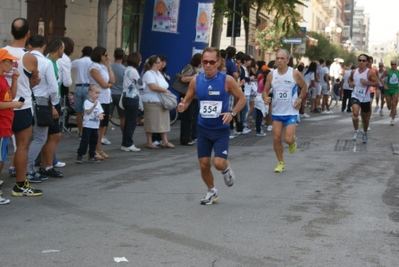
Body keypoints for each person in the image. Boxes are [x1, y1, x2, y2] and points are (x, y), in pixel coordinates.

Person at [177, 47, 246, 205]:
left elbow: (242, 99)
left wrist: (232, 113)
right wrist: (183, 106)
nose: (208, 65)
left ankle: (226, 169)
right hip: (203, 129)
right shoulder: (196, 80)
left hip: (221, 130)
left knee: (219, 163)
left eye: (211, 62)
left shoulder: (226, 80)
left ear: (218, 62)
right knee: (204, 164)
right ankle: (212, 191)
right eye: (205, 62)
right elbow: (187, 99)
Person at [3, 18, 42, 197]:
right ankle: (19, 184)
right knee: (22, 146)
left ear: (11, 32)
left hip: (3, 105)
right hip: (22, 105)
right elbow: (34, 81)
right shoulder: (30, 57)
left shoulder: (2, 52)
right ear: (28, 34)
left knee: (2, 146)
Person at [263, 49, 308, 173]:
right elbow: (265, 91)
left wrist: (299, 99)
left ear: (287, 60)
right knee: (276, 138)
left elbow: (304, 87)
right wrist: (265, 98)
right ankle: (280, 162)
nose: (279, 61)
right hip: (277, 113)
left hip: (291, 112)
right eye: (277, 58)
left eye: (282, 58)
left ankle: (292, 143)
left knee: (288, 139)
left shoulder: (294, 73)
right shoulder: (271, 75)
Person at [26, 35, 59, 183]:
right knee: (40, 137)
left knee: (24, 139)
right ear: (44, 46)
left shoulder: (23, 59)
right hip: (41, 102)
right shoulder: (45, 63)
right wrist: (55, 104)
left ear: (29, 46)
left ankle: (17, 168)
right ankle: (28, 170)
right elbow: (53, 88)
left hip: (24, 100)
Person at [37, 38, 64, 178]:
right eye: (63, 49)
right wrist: (53, 105)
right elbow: (52, 88)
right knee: (54, 135)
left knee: (49, 136)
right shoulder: (49, 63)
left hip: (49, 102)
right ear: (59, 49)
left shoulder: (52, 62)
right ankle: (47, 166)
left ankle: (45, 165)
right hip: (50, 102)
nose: (63, 51)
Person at [0, 48, 23, 203]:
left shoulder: (3, 79)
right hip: (1, 124)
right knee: (0, 159)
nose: (12, 64)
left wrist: (14, 80)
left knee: (2, 157)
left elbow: (11, 96)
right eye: (9, 61)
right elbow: (9, 101)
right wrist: (13, 104)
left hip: (6, 123)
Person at [142, 55, 175, 149]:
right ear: (154, 64)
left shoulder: (159, 73)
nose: (161, 64)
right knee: (151, 121)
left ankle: (165, 141)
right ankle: (149, 142)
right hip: (151, 100)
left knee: (163, 121)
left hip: (161, 100)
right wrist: (164, 90)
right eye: (159, 62)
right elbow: (152, 86)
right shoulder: (149, 73)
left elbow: (163, 84)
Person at [88, 46, 115, 159]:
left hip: (106, 98)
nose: (106, 57)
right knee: (97, 125)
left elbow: (112, 80)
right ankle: (93, 150)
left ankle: (99, 148)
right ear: (100, 55)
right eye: (105, 54)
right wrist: (108, 84)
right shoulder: (93, 67)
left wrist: (109, 66)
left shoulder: (103, 67)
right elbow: (104, 84)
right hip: (98, 99)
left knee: (103, 126)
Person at [348, 54, 379, 144]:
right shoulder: (354, 71)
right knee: (355, 112)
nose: (361, 62)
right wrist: (351, 83)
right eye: (359, 60)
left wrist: (366, 83)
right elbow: (350, 80)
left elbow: (377, 83)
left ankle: (364, 133)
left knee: (365, 118)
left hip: (365, 97)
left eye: (363, 60)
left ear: (367, 62)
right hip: (355, 95)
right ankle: (356, 131)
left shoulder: (370, 73)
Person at [76, 84, 104, 164]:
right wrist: (93, 107)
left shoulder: (98, 103)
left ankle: (92, 155)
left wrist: (101, 115)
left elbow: (100, 112)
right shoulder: (87, 102)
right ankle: (80, 155)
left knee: (93, 141)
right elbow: (87, 112)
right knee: (85, 141)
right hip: (87, 125)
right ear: (90, 93)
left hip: (95, 126)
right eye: (96, 93)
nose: (97, 95)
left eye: (98, 93)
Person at [120, 52, 142, 152]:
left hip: (126, 97)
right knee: (131, 122)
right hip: (132, 97)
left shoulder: (127, 70)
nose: (140, 62)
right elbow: (140, 85)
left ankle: (125, 143)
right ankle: (128, 143)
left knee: (128, 121)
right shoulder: (133, 71)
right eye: (140, 60)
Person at [179, 53, 201, 146]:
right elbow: (183, 78)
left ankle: (192, 135)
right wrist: (194, 77)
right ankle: (185, 138)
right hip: (187, 94)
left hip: (194, 96)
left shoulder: (196, 68)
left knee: (193, 116)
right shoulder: (190, 67)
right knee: (187, 117)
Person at [72, 46, 92, 138]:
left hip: (78, 87)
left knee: (78, 112)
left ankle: (80, 132)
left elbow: (68, 67)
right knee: (88, 111)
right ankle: (87, 132)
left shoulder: (77, 61)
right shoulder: (92, 62)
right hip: (89, 87)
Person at [110, 48, 126, 134]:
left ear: (114, 55)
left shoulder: (109, 67)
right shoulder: (124, 69)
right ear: (123, 56)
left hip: (110, 93)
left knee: (108, 116)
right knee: (122, 117)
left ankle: (102, 135)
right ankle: (124, 136)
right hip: (120, 94)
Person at [378, 60, 399, 125]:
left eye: (395, 64)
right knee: (389, 106)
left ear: (397, 65)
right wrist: (384, 85)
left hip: (395, 90)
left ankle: (392, 120)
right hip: (388, 90)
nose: (394, 65)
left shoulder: (398, 72)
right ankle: (391, 109)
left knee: (394, 104)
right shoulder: (387, 71)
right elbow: (380, 78)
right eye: (392, 64)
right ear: (390, 65)